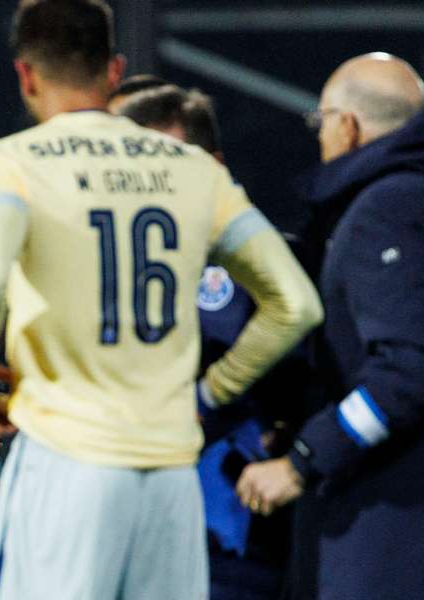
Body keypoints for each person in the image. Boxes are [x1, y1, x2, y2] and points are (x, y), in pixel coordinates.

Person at [0, 2, 322, 598]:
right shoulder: (194, 171)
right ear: (114, 71)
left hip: (67, 463)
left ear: (27, 75)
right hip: (171, 479)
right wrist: (211, 391)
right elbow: (296, 304)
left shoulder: (11, 163)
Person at [236, 53, 424, 599]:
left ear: (348, 126)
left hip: (393, 521)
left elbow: (406, 372)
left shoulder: (388, 207)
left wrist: (306, 459)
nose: (320, 135)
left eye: (322, 119)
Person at [116, 82, 312, 599]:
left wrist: (210, 399)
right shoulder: (106, 266)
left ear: (215, 167)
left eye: (169, 162)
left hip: (231, 541)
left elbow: (307, 377)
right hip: (124, 532)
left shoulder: (272, 265)